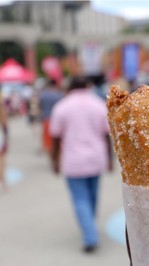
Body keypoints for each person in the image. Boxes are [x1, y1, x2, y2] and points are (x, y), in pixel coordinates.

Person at [49, 76, 113, 253]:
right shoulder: (98, 104)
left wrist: (54, 160)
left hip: (73, 161)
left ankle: (90, 234)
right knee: (92, 196)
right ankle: (89, 226)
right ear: (87, 86)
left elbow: (55, 137)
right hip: (96, 158)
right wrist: (109, 159)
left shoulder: (62, 106)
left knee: (80, 198)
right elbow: (107, 135)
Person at [39, 79, 63, 153]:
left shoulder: (44, 95)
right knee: (57, 137)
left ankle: (49, 151)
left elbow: (41, 105)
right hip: (58, 119)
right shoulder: (59, 95)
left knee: (47, 137)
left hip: (46, 117)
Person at [0, 92, 8, 192]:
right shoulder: (2, 110)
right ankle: (3, 183)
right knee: (1, 160)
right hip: (1, 136)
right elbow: (6, 125)